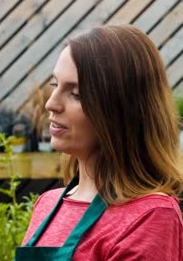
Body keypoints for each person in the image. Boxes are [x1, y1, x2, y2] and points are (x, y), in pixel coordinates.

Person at [16, 25, 183, 260]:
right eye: (55, 85)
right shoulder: (47, 205)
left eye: (76, 94)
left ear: (121, 110)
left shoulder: (150, 216)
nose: (51, 104)